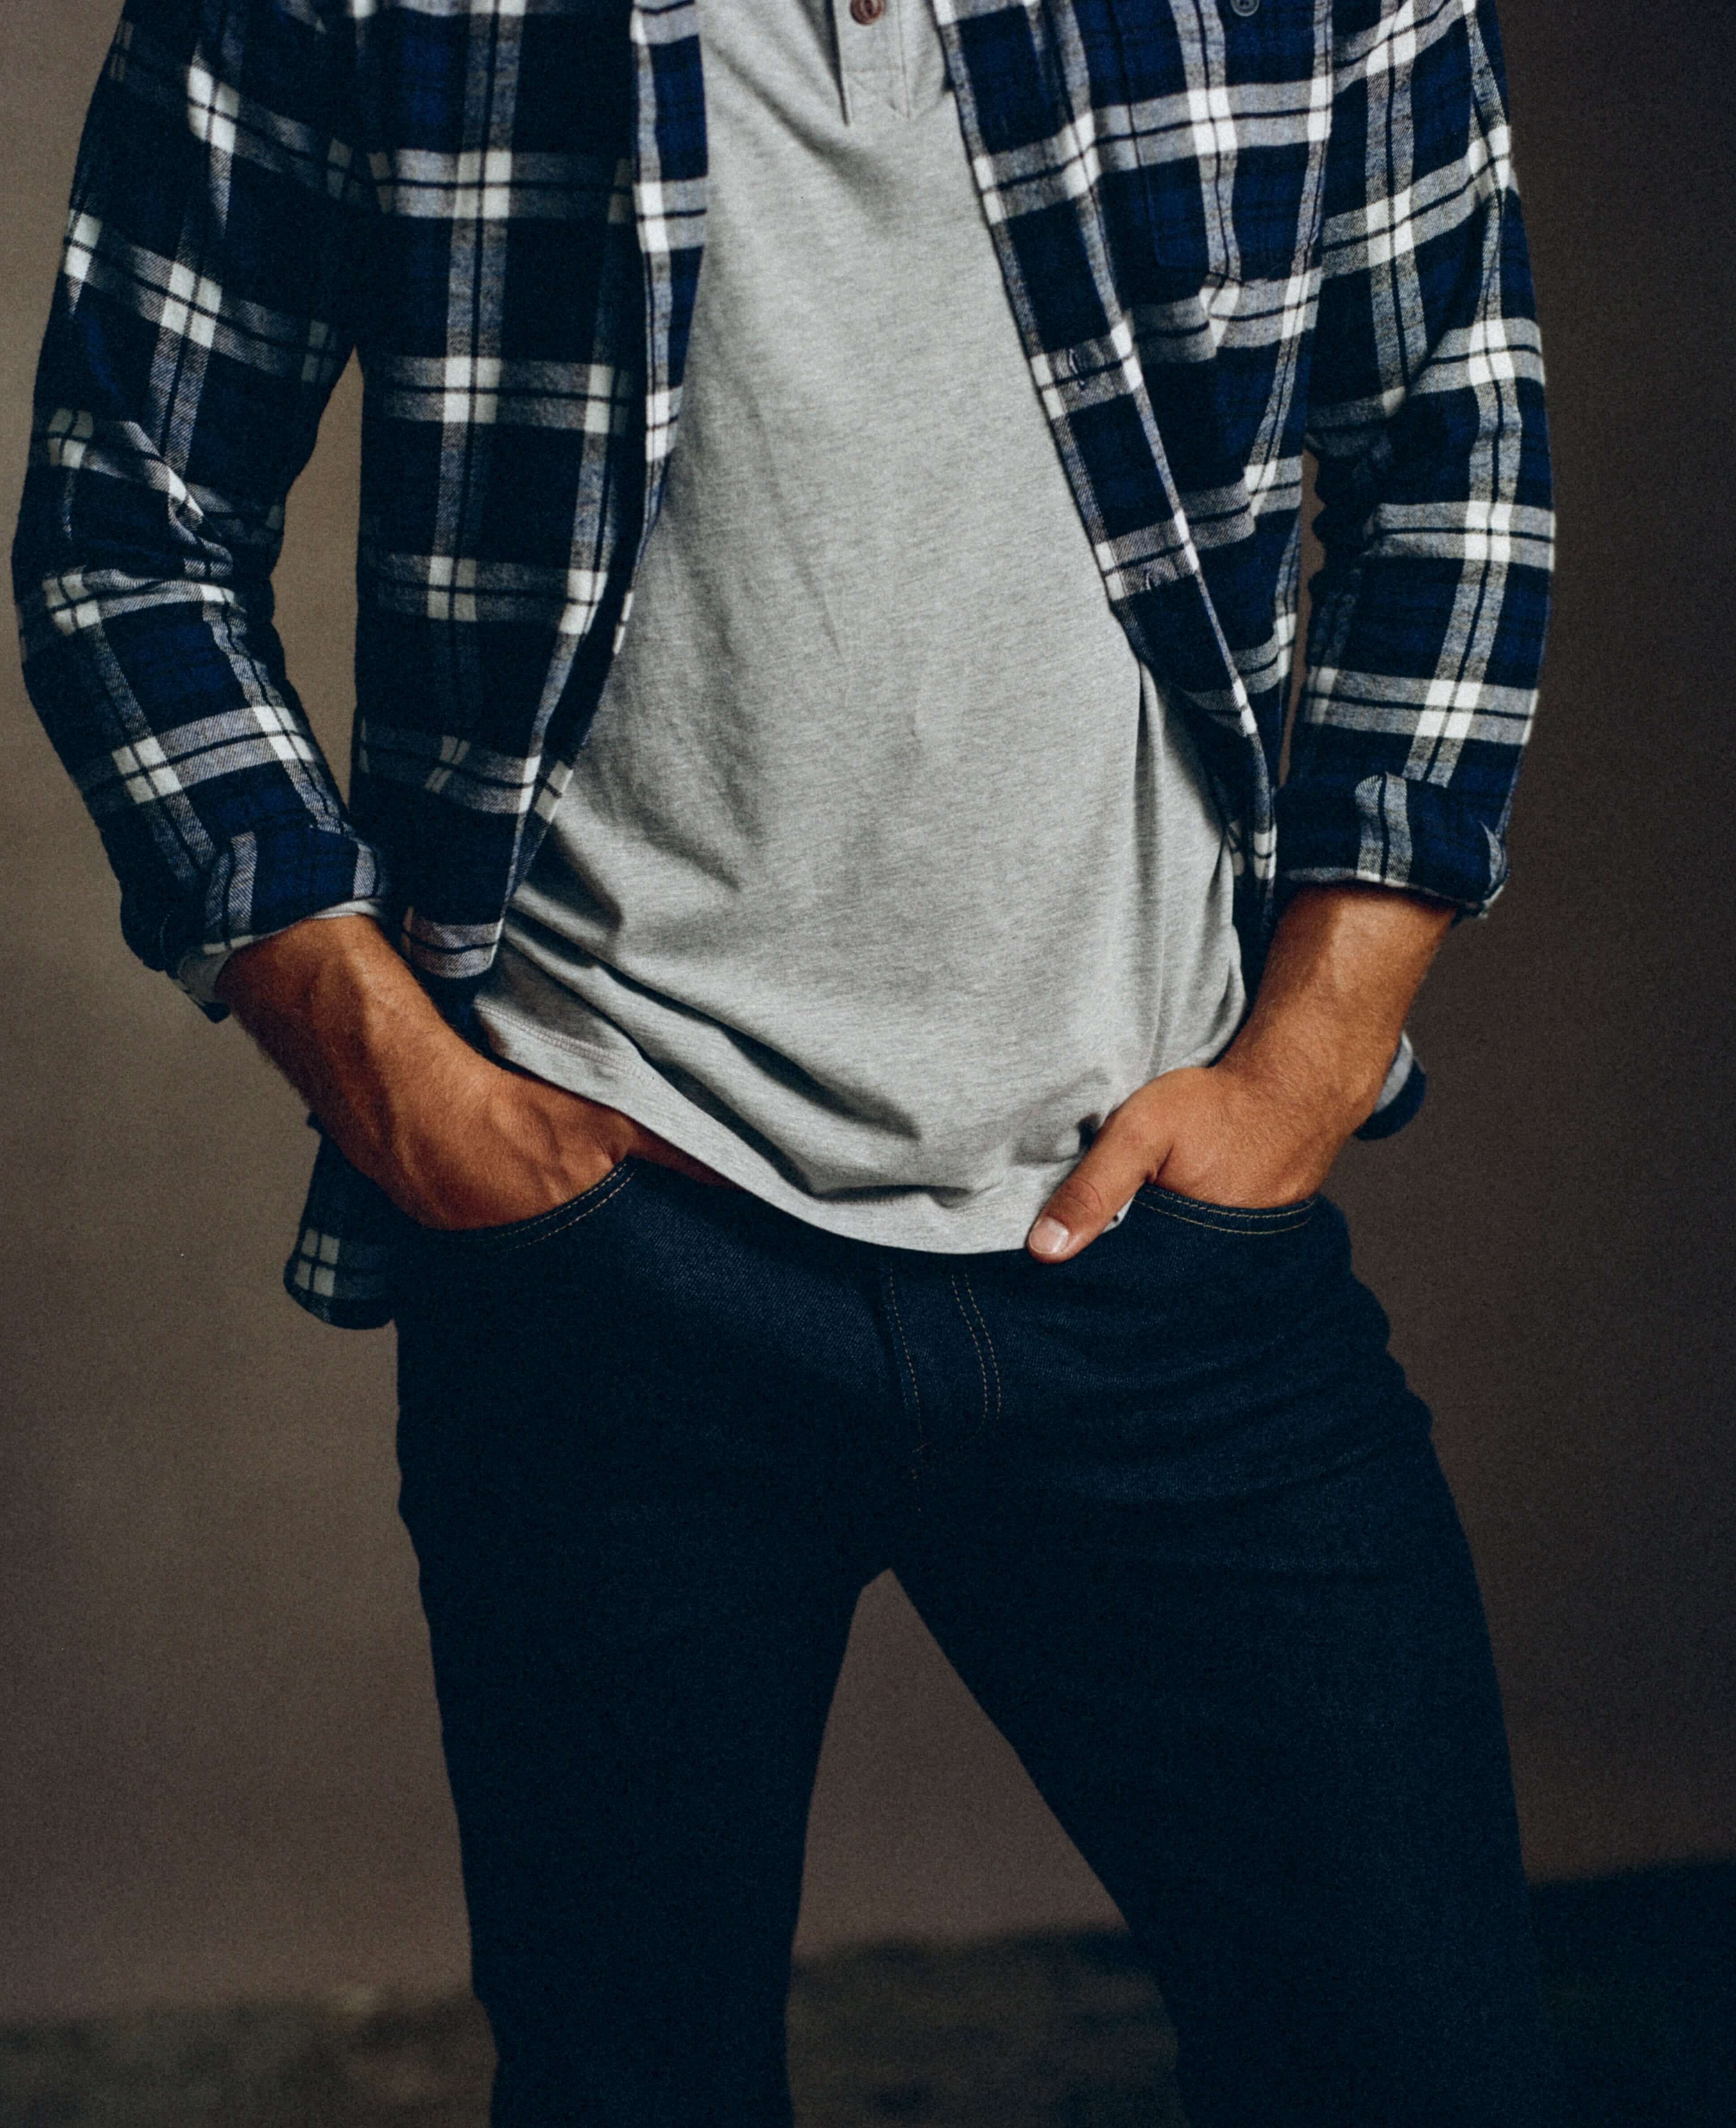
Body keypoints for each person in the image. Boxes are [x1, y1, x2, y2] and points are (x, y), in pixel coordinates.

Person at [13, 0, 1561, 2119]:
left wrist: (1306, 1063)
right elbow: (127, 521)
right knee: (627, 2081)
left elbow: (1454, 451)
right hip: (614, 1266)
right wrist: (408, 1094)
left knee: (1417, 2063)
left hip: (1154, 1249)